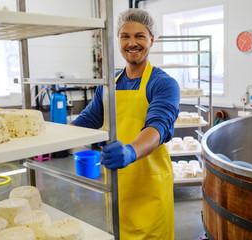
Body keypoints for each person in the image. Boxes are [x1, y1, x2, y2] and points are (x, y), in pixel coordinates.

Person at [71, 8, 180, 239]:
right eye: (125, 36)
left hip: (150, 189)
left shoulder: (164, 84)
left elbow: (157, 127)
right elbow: (87, 121)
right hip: (118, 187)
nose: (132, 43)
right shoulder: (109, 84)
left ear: (152, 39)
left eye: (139, 36)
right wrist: (54, 137)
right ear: (118, 40)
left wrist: (131, 151)